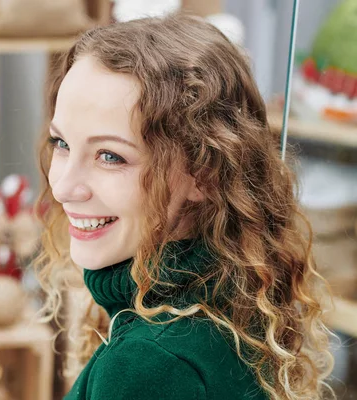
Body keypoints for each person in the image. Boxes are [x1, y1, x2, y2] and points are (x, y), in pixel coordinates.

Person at [33, 13, 335, 400]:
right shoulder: (235, 297)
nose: (62, 188)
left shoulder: (150, 363)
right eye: (62, 143)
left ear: (205, 172)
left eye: (110, 156)